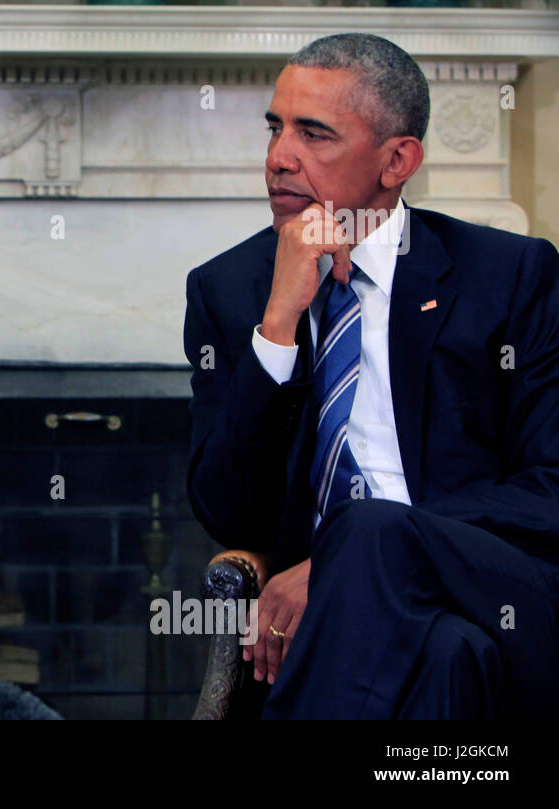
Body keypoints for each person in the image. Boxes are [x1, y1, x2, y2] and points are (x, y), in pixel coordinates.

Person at [183, 33, 559, 719]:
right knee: (447, 655)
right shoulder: (229, 289)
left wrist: (353, 557)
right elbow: (228, 513)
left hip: (500, 583)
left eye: (314, 134)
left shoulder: (507, 276)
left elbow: (550, 489)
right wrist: (278, 324)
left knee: (366, 530)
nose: (277, 159)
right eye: (274, 128)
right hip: (378, 631)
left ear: (397, 160)